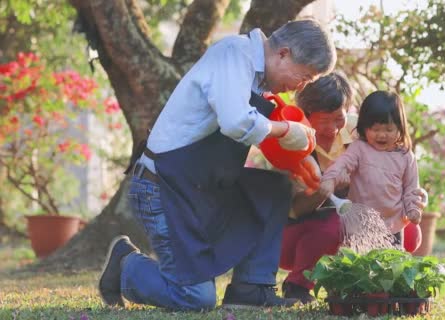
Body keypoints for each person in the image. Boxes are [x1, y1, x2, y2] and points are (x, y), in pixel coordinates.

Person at [97, 19, 336, 311]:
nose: (300, 86)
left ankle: (252, 288)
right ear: (284, 53)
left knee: (274, 188)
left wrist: (299, 163)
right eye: (305, 77)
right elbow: (237, 121)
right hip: (163, 187)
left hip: (202, 186)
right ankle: (126, 264)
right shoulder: (234, 54)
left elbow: (256, 133)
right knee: (196, 299)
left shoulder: (258, 79)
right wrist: (286, 130)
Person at [280, 77, 427, 303]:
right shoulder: (295, 141)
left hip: (360, 214)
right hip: (301, 230)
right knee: (337, 226)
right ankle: (298, 283)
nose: (333, 128)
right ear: (307, 115)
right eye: (323, 120)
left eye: (338, 118)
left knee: (406, 231)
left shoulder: (363, 128)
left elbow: (393, 171)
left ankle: (372, 287)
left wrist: (414, 197)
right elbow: (296, 209)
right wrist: (329, 188)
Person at [319, 90, 423, 246]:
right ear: (364, 127)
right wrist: (329, 179)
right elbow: (342, 163)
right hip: (359, 225)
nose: (382, 135)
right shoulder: (359, 148)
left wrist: (413, 208)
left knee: (391, 266)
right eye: (375, 129)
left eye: (389, 130)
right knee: (356, 265)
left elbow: (411, 187)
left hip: (392, 226)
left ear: (400, 128)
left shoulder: (406, 156)